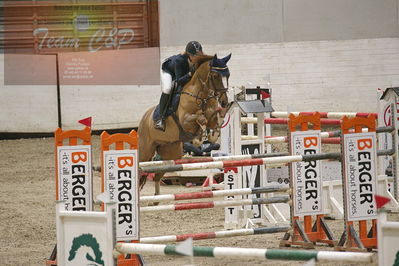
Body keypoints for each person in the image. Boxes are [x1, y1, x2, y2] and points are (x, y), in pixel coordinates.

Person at [154, 41, 204, 131]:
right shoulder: (179, 61)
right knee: (168, 88)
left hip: (181, 73)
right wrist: (190, 74)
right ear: (189, 55)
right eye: (195, 56)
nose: (198, 58)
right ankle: (160, 118)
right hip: (169, 71)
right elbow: (180, 81)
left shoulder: (199, 60)